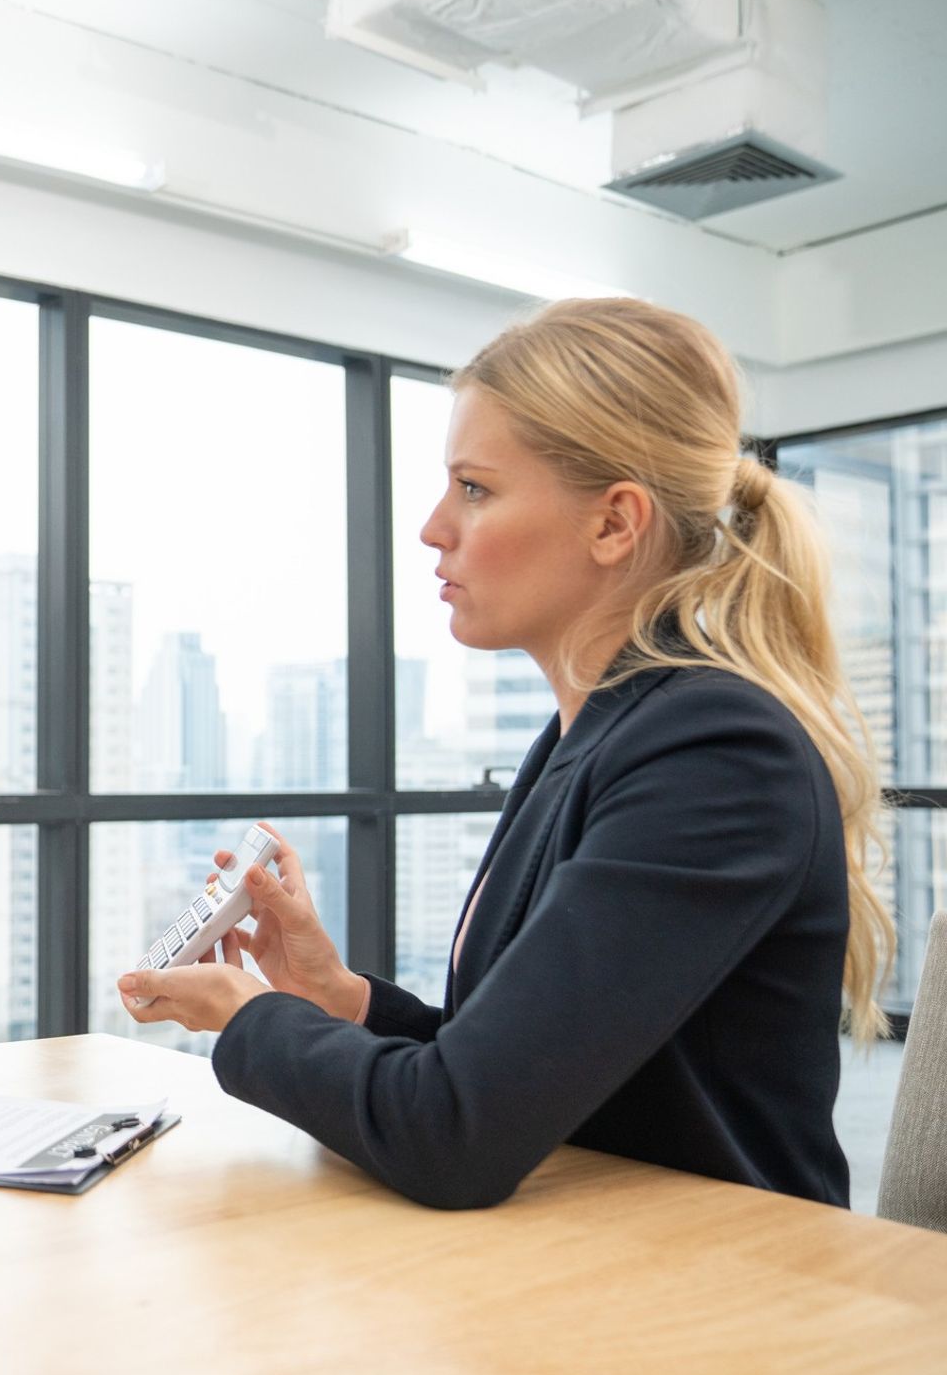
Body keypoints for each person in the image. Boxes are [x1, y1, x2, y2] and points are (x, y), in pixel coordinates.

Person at [119, 299, 891, 1210]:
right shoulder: (585, 738)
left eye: (475, 488)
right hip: (601, 1260)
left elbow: (455, 1130)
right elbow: (516, 1064)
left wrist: (247, 1017)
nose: (433, 527)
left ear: (615, 524)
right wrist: (339, 995)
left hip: (731, 1292)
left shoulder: (716, 753)